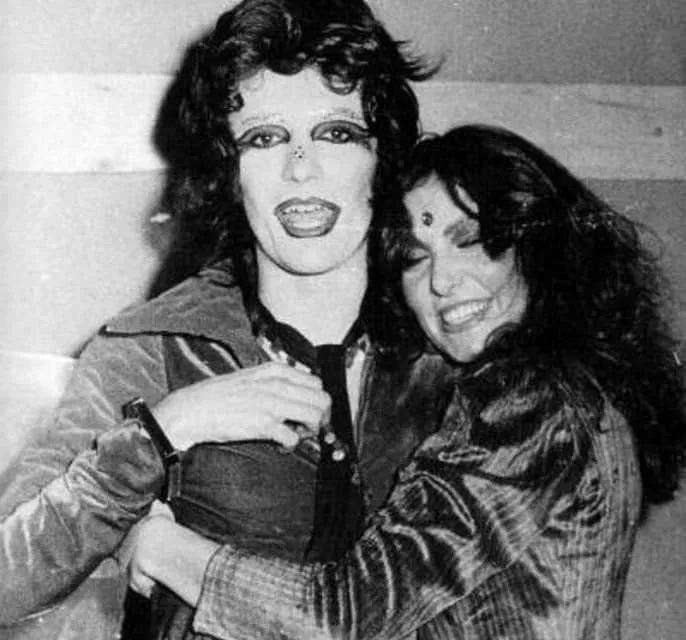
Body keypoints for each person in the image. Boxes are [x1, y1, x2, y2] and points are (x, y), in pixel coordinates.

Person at [125, 124, 686, 639]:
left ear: (536, 247)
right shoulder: (576, 391)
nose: (442, 280)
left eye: (470, 241)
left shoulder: (529, 399)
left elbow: (342, 618)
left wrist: (162, 546)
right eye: (415, 260)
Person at [0, 1, 451, 637]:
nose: (301, 167)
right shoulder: (149, 347)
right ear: (229, 171)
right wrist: (161, 433)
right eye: (265, 138)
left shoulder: (452, 342)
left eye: (336, 133)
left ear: (383, 160)